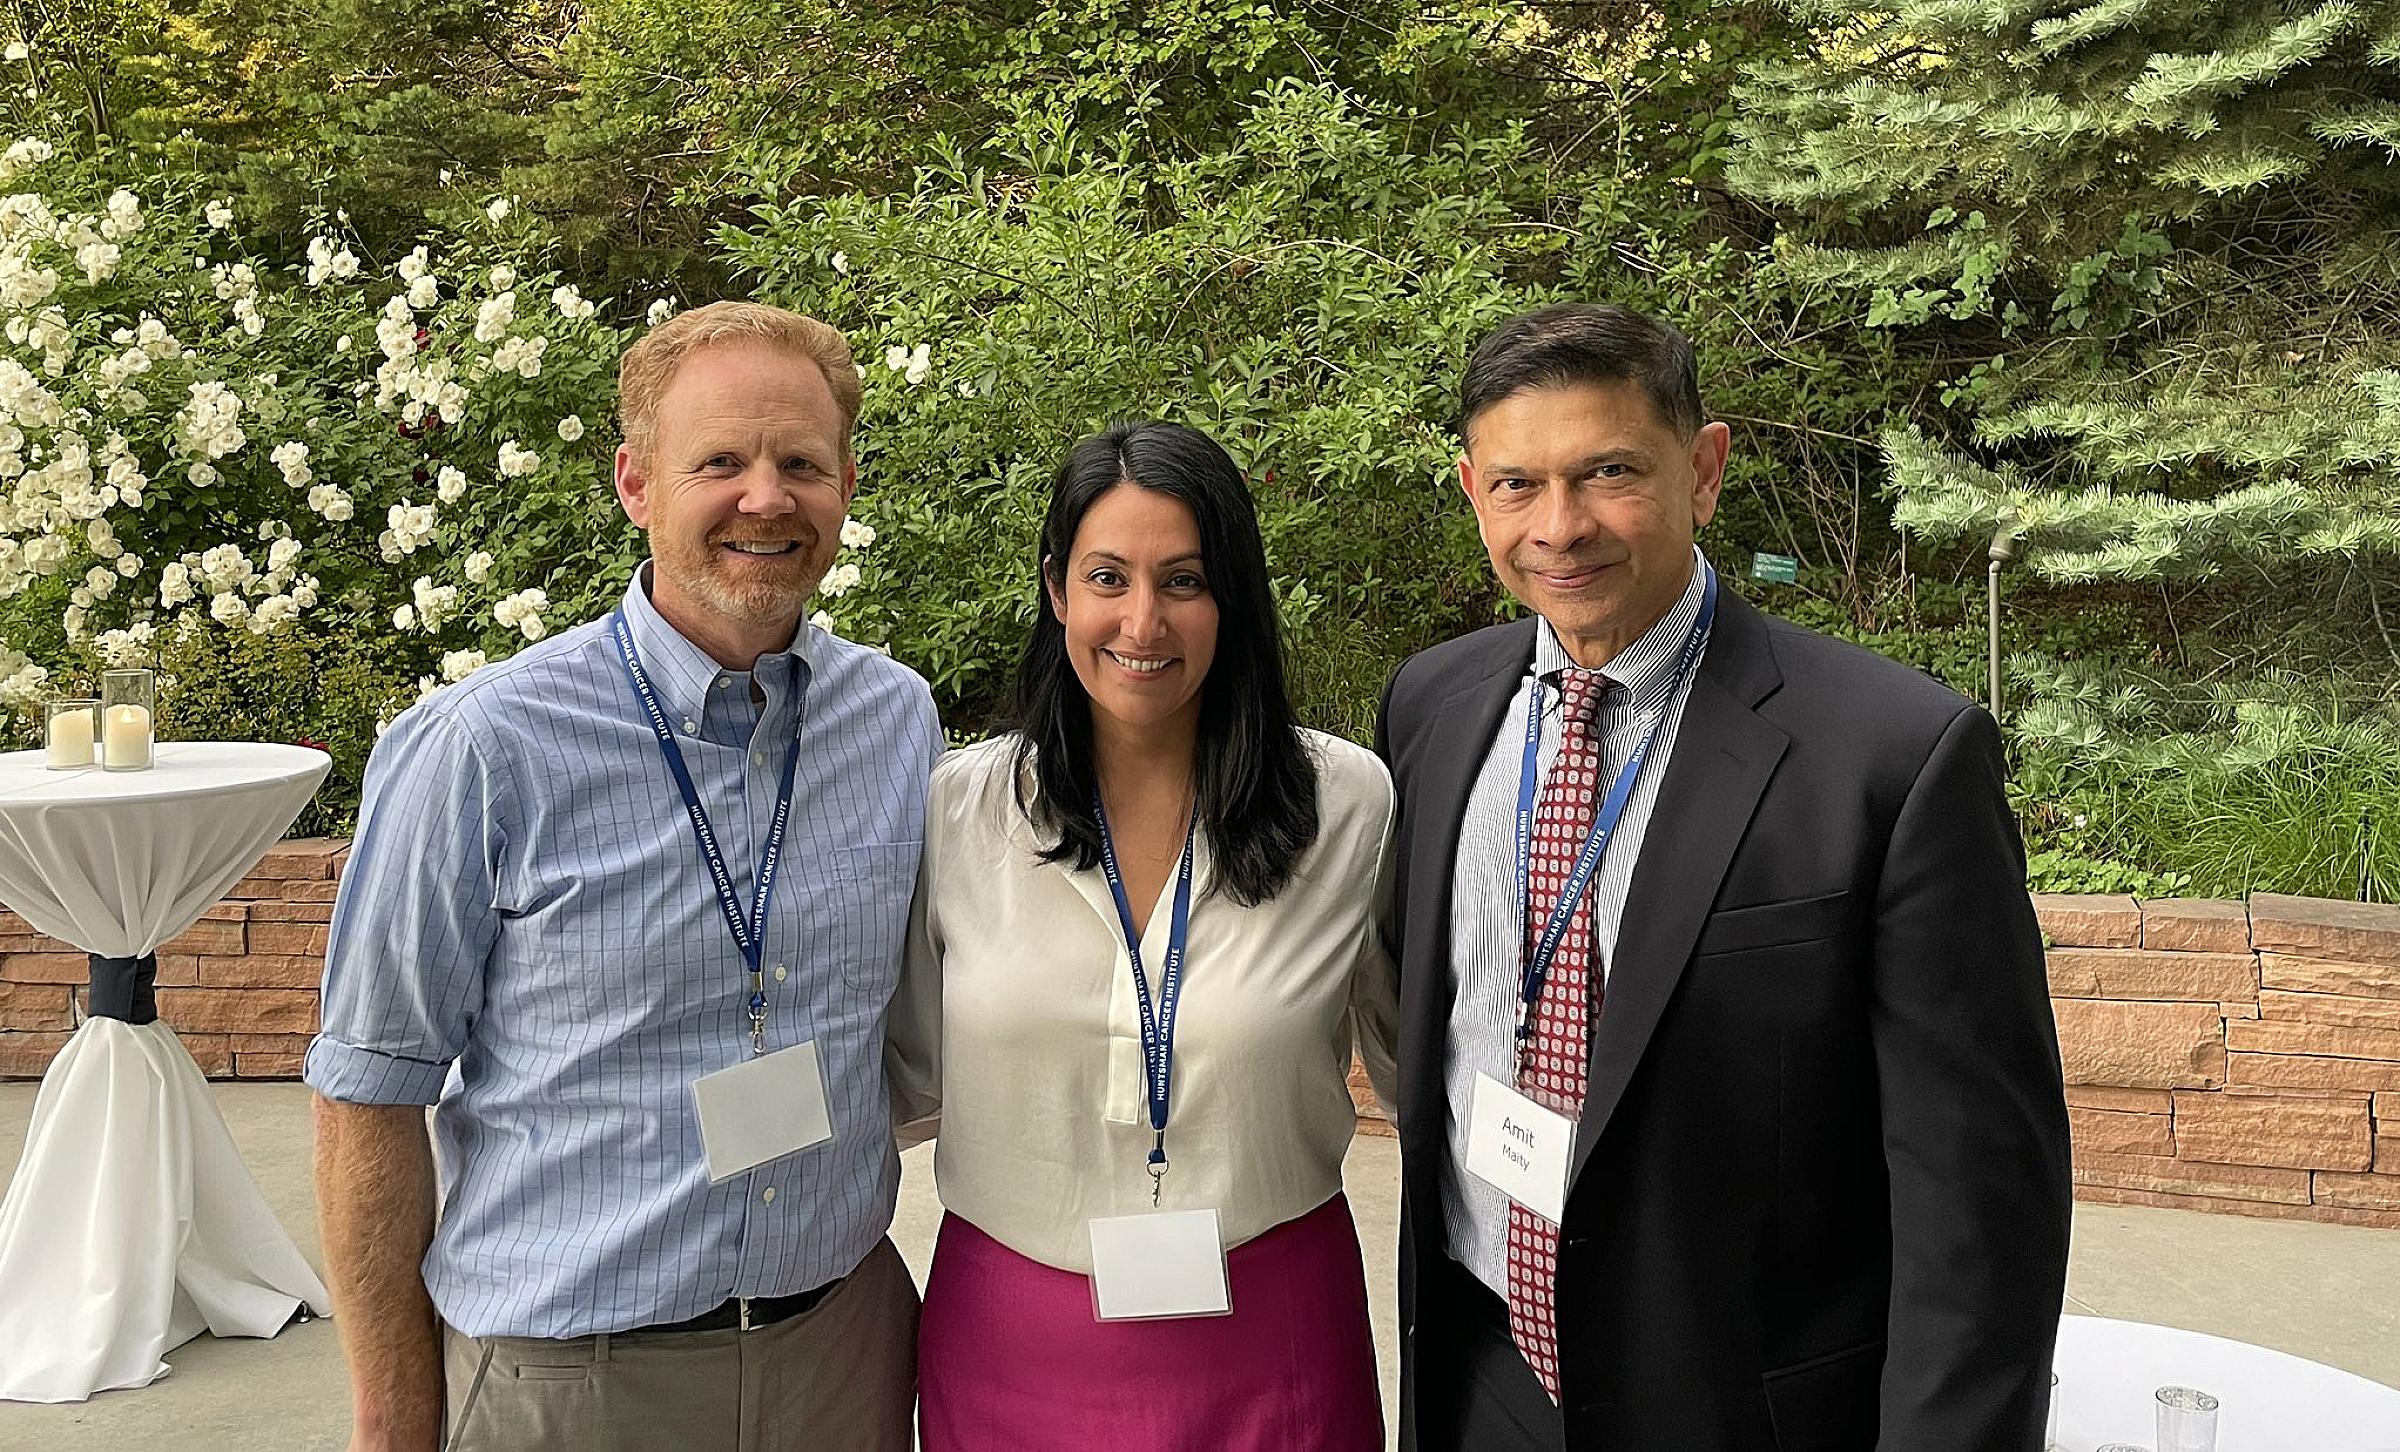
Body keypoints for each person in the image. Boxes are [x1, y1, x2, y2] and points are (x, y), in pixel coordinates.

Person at [1376, 303, 2071, 1451]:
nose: (1562, 526)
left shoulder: (1895, 755)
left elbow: (1981, 1207)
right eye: (1517, 485)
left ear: (1703, 469)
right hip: (1484, 1383)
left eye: (1609, 472)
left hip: (1748, 1411)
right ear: (1470, 491)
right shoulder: (1435, 707)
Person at [305, 301, 939, 1452]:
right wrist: (394, 1422)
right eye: (719, 462)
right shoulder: (484, 748)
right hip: (575, 1386)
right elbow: (367, 1098)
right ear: (636, 483)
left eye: (801, 462)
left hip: (841, 1361)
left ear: (846, 482)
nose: (766, 496)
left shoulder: (894, 722)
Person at [887, 420, 1396, 1451]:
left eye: (1185, 580)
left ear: (1234, 599)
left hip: (1273, 1336)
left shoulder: (1345, 803)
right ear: (1056, 590)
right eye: (1108, 576)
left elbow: (1410, 1062)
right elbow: (909, 1066)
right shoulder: (960, 810)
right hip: (1013, 1343)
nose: (1143, 620)